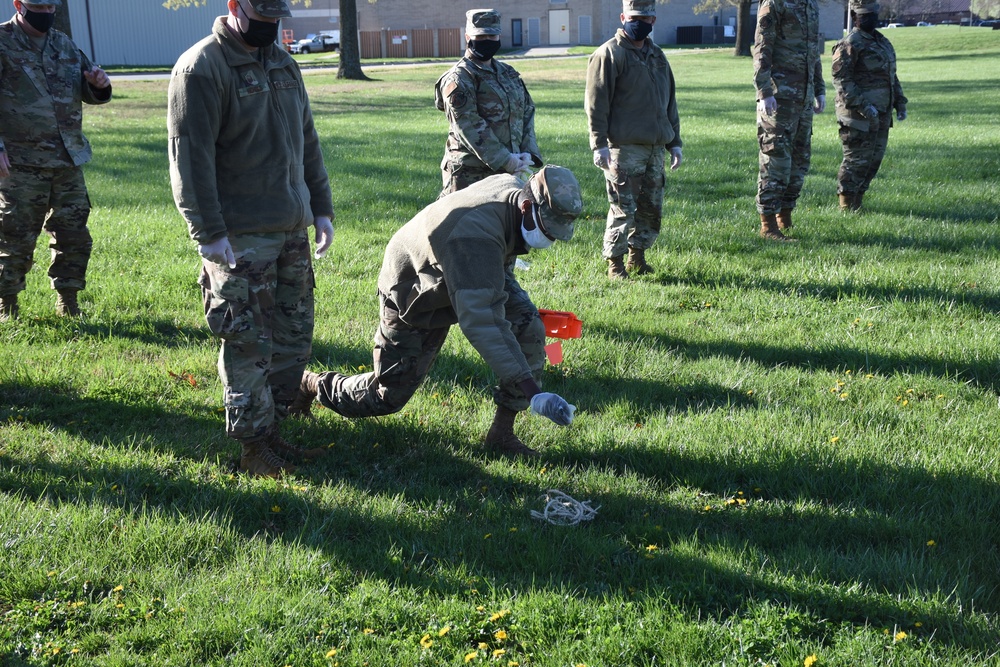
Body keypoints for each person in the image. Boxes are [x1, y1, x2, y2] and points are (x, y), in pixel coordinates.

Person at [292, 166, 582, 458]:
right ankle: (311, 383)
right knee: (386, 396)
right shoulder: (474, 239)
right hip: (415, 289)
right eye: (547, 229)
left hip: (468, 267)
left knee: (527, 326)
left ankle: (501, 433)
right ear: (527, 205)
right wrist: (534, 394)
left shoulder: (513, 188)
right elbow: (484, 323)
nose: (550, 240)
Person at [167, 0, 335, 478]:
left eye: (275, 20)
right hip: (239, 237)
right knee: (247, 342)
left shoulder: (283, 62)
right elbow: (189, 160)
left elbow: (307, 140)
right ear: (234, 7)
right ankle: (252, 447)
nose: (269, 28)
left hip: (290, 229)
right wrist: (209, 233)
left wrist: (320, 208)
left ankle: (274, 428)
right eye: (260, 19)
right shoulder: (201, 68)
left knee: (292, 333)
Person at [0, 0, 112, 321]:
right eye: (39, 6)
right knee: (14, 235)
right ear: (19, 4)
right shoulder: (3, 41)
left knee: (73, 234)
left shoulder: (63, 43)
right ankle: (7, 304)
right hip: (19, 162)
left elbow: (89, 87)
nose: (47, 12)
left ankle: (69, 301)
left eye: (51, 6)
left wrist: (99, 85)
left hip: (66, 158)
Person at [585, 0, 683, 281]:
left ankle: (637, 257)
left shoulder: (658, 56)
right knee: (622, 207)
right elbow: (596, 103)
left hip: (655, 148)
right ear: (623, 17)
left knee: (651, 206)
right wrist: (599, 144)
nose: (641, 22)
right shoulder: (608, 54)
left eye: (647, 17)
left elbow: (669, 101)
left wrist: (674, 141)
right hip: (622, 148)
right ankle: (615, 264)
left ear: (654, 20)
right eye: (635, 17)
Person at [434, 8, 541, 197]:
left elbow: (526, 111)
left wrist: (527, 153)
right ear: (468, 36)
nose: (487, 41)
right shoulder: (459, 78)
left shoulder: (508, 73)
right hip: (470, 175)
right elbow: (468, 124)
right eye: (481, 36)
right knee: (466, 225)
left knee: (505, 225)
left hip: (510, 171)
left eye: (492, 36)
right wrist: (505, 159)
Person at [752, 0, 826, 242]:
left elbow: (813, 51)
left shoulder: (810, 5)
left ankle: (786, 216)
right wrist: (764, 91)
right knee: (776, 161)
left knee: (799, 161)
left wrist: (819, 89)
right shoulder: (775, 4)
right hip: (778, 97)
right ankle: (768, 226)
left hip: (802, 98)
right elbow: (762, 47)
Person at [832, 0, 907, 212]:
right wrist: (864, 106)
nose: (870, 19)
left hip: (881, 113)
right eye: (865, 15)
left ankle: (858, 202)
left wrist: (900, 102)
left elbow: (891, 76)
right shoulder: (850, 43)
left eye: (873, 14)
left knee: (873, 160)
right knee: (856, 160)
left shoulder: (882, 42)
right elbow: (841, 80)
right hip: (857, 114)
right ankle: (846, 206)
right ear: (855, 16)